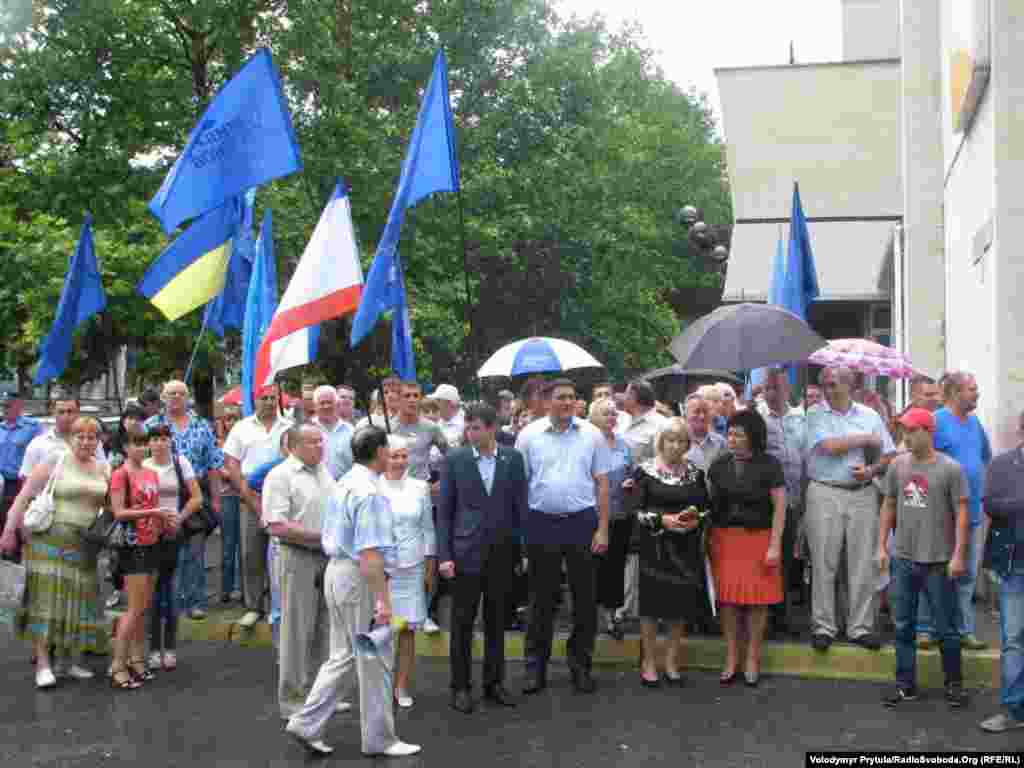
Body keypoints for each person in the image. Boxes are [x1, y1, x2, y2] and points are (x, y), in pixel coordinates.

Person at [284, 426, 420, 758]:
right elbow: (371, 555)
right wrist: (384, 601)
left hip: (338, 572)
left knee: (344, 655)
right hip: (359, 578)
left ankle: (307, 722)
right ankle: (380, 739)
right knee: (374, 659)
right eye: (388, 449)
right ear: (381, 452)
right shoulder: (370, 493)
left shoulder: (345, 481)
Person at [515, 378, 611, 695]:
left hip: (582, 523)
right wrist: (523, 531)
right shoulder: (529, 436)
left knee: (585, 599)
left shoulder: (592, 435)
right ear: (546, 402)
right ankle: (535, 667)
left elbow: (602, 484)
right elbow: (520, 484)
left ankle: (580, 665)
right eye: (560, 397)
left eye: (571, 396)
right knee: (541, 599)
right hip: (541, 523)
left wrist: (603, 528)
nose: (567, 402)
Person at [1, 416, 109, 688]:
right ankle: (43, 664)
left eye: (91, 437)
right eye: (80, 436)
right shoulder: (54, 460)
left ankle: (66, 662)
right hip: (48, 544)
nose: (85, 441)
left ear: (98, 441)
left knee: (75, 602)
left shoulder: (103, 468)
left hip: (83, 547)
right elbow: (23, 498)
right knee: (45, 603)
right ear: (71, 438)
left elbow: (110, 507)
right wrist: (8, 531)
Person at [438, 402, 527, 713]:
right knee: (462, 622)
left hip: (501, 552)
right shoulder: (455, 459)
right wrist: (445, 555)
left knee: (496, 622)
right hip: (465, 554)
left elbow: (520, 507)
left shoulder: (512, 459)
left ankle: (494, 683)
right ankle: (460, 686)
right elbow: (445, 512)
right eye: (468, 427)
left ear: (492, 429)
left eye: (476, 428)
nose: (470, 433)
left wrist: (522, 550)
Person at [877, 408, 968, 708]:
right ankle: (905, 684)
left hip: (939, 561)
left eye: (912, 430)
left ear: (928, 432)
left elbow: (962, 514)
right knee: (903, 625)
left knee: (946, 628)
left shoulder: (950, 469)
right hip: (903, 558)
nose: (906, 436)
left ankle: (954, 684)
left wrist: (958, 555)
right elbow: (889, 504)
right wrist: (881, 546)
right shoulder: (897, 465)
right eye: (904, 430)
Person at [805, 366, 895, 652]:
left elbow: (888, 454)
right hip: (825, 490)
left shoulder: (869, 415)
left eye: (833, 384)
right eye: (824, 384)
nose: (827, 390)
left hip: (862, 492)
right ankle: (823, 626)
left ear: (849, 385)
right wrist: (866, 439)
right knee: (824, 561)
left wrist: (871, 470)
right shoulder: (815, 413)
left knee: (862, 562)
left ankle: (860, 627)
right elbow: (830, 446)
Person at [707, 410, 786, 687]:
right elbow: (710, 505)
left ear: (753, 436)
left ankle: (752, 657)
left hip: (760, 539)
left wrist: (775, 545)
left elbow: (780, 508)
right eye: (729, 434)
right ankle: (732, 657)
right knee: (728, 601)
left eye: (738, 435)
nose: (732, 439)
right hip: (725, 539)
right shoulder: (718, 465)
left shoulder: (770, 465)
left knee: (757, 602)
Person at [263, 424, 333, 720]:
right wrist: (321, 537)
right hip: (298, 556)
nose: (320, 446)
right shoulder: (280, 476)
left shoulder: (323, 471)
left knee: (325, 629)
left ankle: (319, 696)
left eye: (321, 440)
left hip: (327, 558)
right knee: (296, 631)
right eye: (312, 441)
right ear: (294, 446)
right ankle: (292, 702)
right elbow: (275, 525)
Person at [632, 418, 709, 687]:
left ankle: (671, 661)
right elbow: (636, 511)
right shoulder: (644, 472)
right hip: (654, 547)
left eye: (681, 441)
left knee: (679, 606)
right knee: (652, 607)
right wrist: (662, 520)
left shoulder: (696, 473)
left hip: (685, 548)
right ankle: (648, 662)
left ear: (687, 445)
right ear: (661, 441)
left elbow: (705, 509)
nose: (675, 446)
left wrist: (694, 519)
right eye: (670, 440)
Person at [145, 380, 223, 621]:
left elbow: (214, 463)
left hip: (196, 493)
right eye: (171, 393)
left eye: (181, 393)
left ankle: (195, 601)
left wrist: (216, 500)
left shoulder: (202, 425)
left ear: (188, 397)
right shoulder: (151, 425)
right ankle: (169, 601)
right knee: (166, 553)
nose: (176, 397)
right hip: (160, 494)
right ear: (163, 397)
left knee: (195, 552)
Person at [110, 425, 178, 689]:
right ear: (125, 447)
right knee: (134, 608)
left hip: (153, 542)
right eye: (135, 443)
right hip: (132, 545)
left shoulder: (151, 473)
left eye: (143, 443)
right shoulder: (120, 474)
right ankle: (118, 665)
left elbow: (154, 507)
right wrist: (154, 513)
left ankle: (137, 660)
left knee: (144, 607)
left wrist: (164, 522)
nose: (141, 448)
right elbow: (118, 512)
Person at [930, 371, 992, 650]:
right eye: (972, 389)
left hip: (973, 513)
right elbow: (919, 460)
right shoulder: (937, 421)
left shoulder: (975, 422)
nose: (977, 393)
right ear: (955, 393)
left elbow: (985, 458)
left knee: (967, 576)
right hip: (943, 515)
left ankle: (964, 630)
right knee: (937, 574)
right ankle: (933, 629)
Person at [223, 384, 293, 626]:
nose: (270, 402)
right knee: (251, 552)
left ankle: (279, 605)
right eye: (265, 398)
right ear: (255, 400)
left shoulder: (289, 427)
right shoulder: (241, 427)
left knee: (282, 554)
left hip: (283, 498)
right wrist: (247, 493)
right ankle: (254, 606)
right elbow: (231, 462)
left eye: (273, 398)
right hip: (249, 495)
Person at [379, 435, 436, 709]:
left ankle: (401, 685)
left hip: (413, 567)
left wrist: (430, 565)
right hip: (382, 570)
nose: (400, 461)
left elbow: (428, 529)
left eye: (404, 456)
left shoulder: (420, 487)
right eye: (394, 456)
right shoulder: (372, 486)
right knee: (381, 630)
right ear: (383, 457)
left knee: (407, 630)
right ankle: (380, 685)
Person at [143, 424, 202, 672]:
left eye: (164, 438)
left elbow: (197, 497)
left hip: (173, 534)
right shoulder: (142, 466)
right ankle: (153, 649)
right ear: (148, 443)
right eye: (155, 439)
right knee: (152, 595)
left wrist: (179, 517)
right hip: (147, 536)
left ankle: (170, 648)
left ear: (170, 441)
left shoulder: (181, 463)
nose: (159, 443)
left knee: (172, 592)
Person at [980, 409, 1024, 732]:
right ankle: (1014, 711)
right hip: (1015, 564)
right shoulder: (1001, 464)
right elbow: (991, 505)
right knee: (1014, 641)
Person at [760, 369, 807, 635]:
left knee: (787, 558)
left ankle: (782, 613)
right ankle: (765, 613)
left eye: (775, 388)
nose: (771, 394)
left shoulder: (801, 418)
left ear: (787, 389)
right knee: (766, 558)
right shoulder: (758, 417)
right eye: (767, 388)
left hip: (793, 499)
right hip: (765, 501)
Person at [589, 398, 634, 641]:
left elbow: (631, 471)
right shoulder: (587, 443)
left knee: (614, 568)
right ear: (593, 417)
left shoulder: (624, 445)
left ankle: (611, 616)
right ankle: (588, 617)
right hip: (591, 516)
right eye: (606, 413)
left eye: (614, 413)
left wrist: (631, 481)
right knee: (591, 568)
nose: (611, 417)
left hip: (619, 515)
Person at [0, 396, 42, 562]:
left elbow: (41, 452)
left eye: (8, 405)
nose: (4, 409)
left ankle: (17, 556)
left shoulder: (32, 427)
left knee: (19, 520)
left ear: (18, 406)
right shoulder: (1, 427)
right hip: (2, 482)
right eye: (3, 406)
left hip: (21, 483)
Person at [216, 406, 242, 604]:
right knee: (228, 544)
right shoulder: (219, 444)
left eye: (235, 418)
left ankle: (242, 588)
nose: (231, 423)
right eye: (228, 419)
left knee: (245, 545)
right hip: (227, 496)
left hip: (244, 496)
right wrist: (239, 477)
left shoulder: (245, 439)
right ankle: (226, 588)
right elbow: (220, 470)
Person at [311, 385, 354, 481]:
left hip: (345, 485)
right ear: (315, 406)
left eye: (329, 402)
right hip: (316, 484)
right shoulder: (308, 429)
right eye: (322, 403)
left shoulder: (350, 431)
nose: (326, 406)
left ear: (337, 404)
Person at [621, 379, 668, 465]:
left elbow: (663, 461)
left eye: (626, 393)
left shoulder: (661, 424)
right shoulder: (622, 419)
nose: (623, 397)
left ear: (633, 396)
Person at [684, 394, 727, 472]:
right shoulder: (676, 441)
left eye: (705, 412)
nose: (702, 416)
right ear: (686, 413)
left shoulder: (721, 443)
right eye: (696, 412)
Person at [433, 384, 465, 448]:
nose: (434, 403)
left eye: (438, 400)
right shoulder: (437, 422)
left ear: (450, 403)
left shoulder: (466, 423)